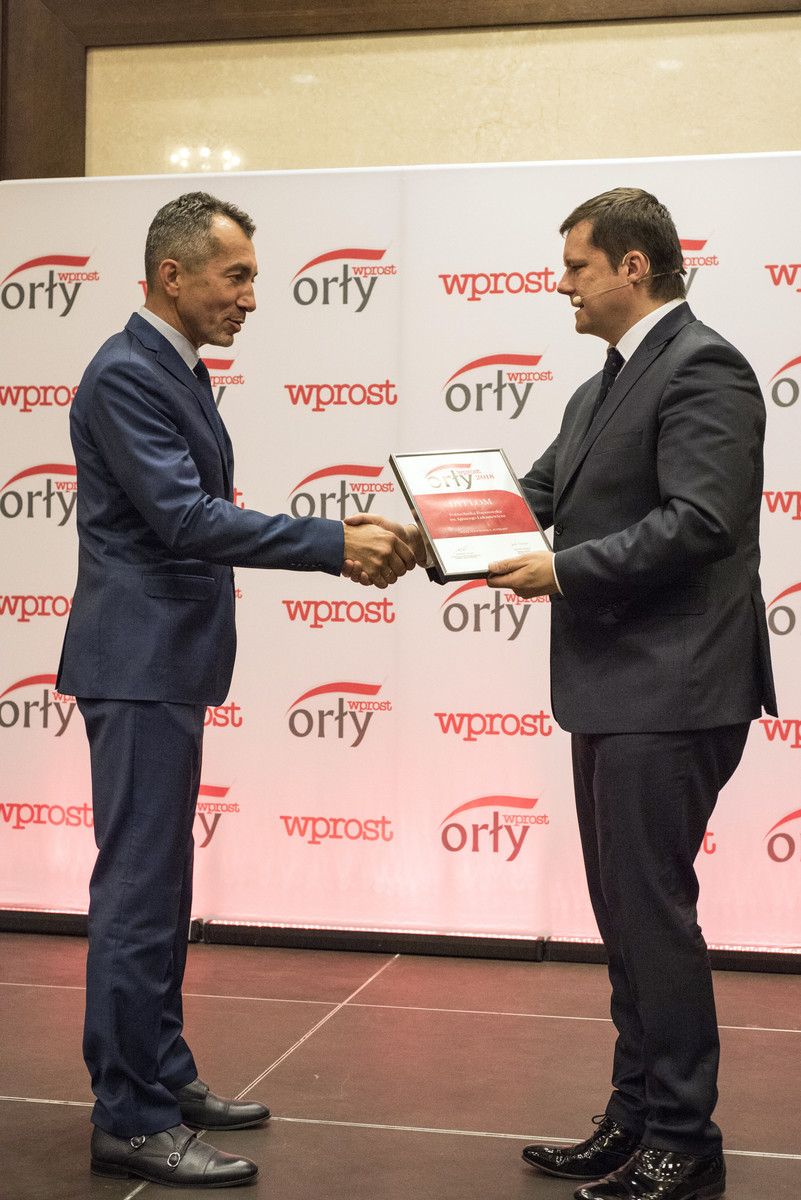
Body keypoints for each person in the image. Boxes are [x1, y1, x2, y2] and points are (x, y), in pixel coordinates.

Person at [56, 190, 419, 1189]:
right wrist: (332, 542)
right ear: (172, 275)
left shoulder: (173, 368)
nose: (252, 297)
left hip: (163, 663)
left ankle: (163, 1075)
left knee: (161, 888)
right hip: (138, 666)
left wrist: (336, 536)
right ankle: (130, 1116)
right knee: (138, 894)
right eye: (237, 275)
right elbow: (185, 519)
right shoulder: (127, 373)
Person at [483, 188, 777, 1200]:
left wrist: (561, 570)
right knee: (625, 916)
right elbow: (530, 497)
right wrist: (426, 529)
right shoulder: (598, 386)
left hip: (676, 688)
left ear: (633, 267)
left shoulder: (704, 367)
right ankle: (635, 1115)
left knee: (652, 916)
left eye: (576, 266)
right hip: (615, 687)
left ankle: (685, 1141)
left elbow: (701, 521)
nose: (561, 284)